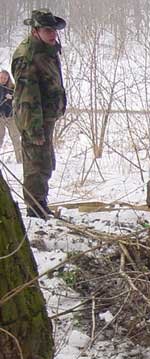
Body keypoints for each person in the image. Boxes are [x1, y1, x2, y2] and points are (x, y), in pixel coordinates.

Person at [11, 8, 67, 219]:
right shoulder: (28, 57)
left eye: (53, 29)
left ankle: (40, 204)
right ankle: (35, 210)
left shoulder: (48, 49)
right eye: (47, 30)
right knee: (36, 163)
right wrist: (34, 129)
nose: (52, 34)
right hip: (34, 119)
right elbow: (27, 98)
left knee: (45, 161)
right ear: (35, 31)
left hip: (46, 117)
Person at [0, 70, 22, 163]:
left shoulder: (12, 87)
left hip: (11, 116)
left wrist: (12, 97)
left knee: (15, 137)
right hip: (0, 116)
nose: (3, 80)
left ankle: (20, 160)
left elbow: (19, 98)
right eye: (1, 78)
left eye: (5, 78)